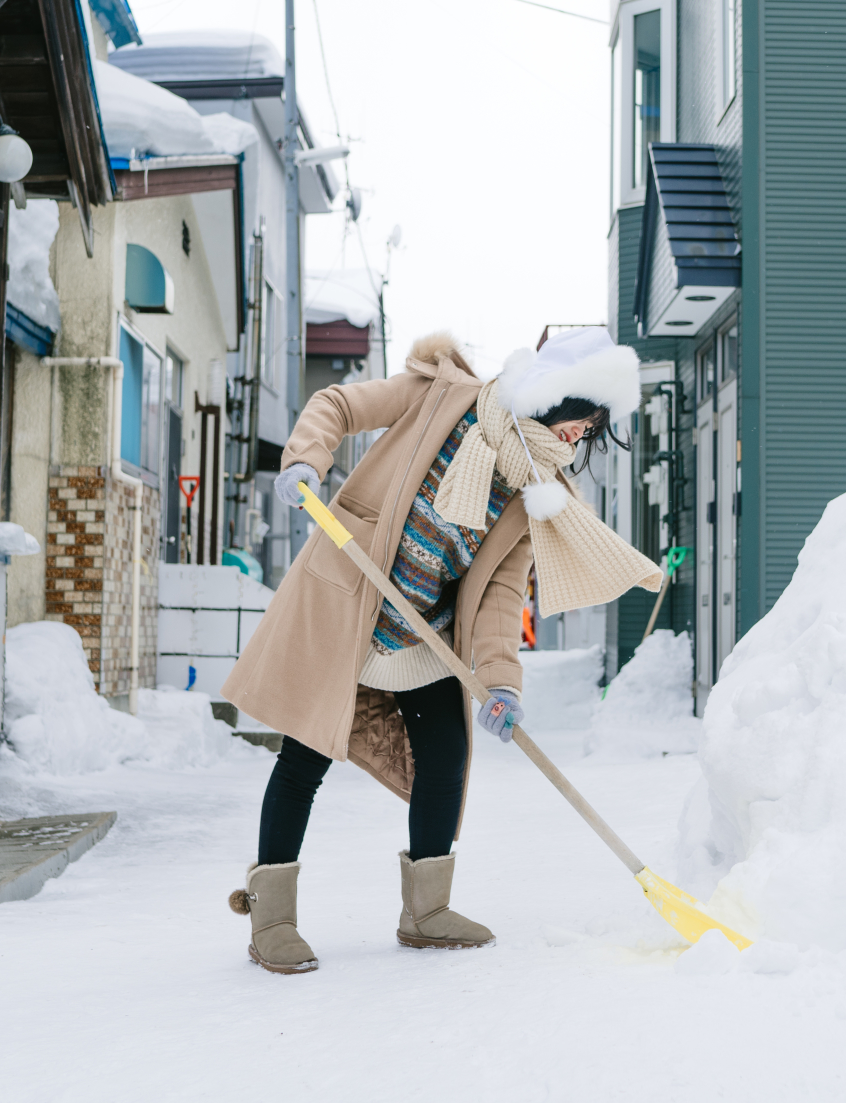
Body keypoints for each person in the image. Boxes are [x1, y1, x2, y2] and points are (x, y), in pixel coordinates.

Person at [222, 326, 663, 974]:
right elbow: (339, 407)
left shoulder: (535, 492)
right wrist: (304, 461)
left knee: (446, 758)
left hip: (423, 631)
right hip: (351, 606)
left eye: (591, 430)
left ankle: (426, 911)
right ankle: (273, 919)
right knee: (303, 759)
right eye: (580, 419)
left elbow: (498, 596)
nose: (579, 436)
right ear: (554, 397)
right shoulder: (442, 395)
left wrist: (502, 681)